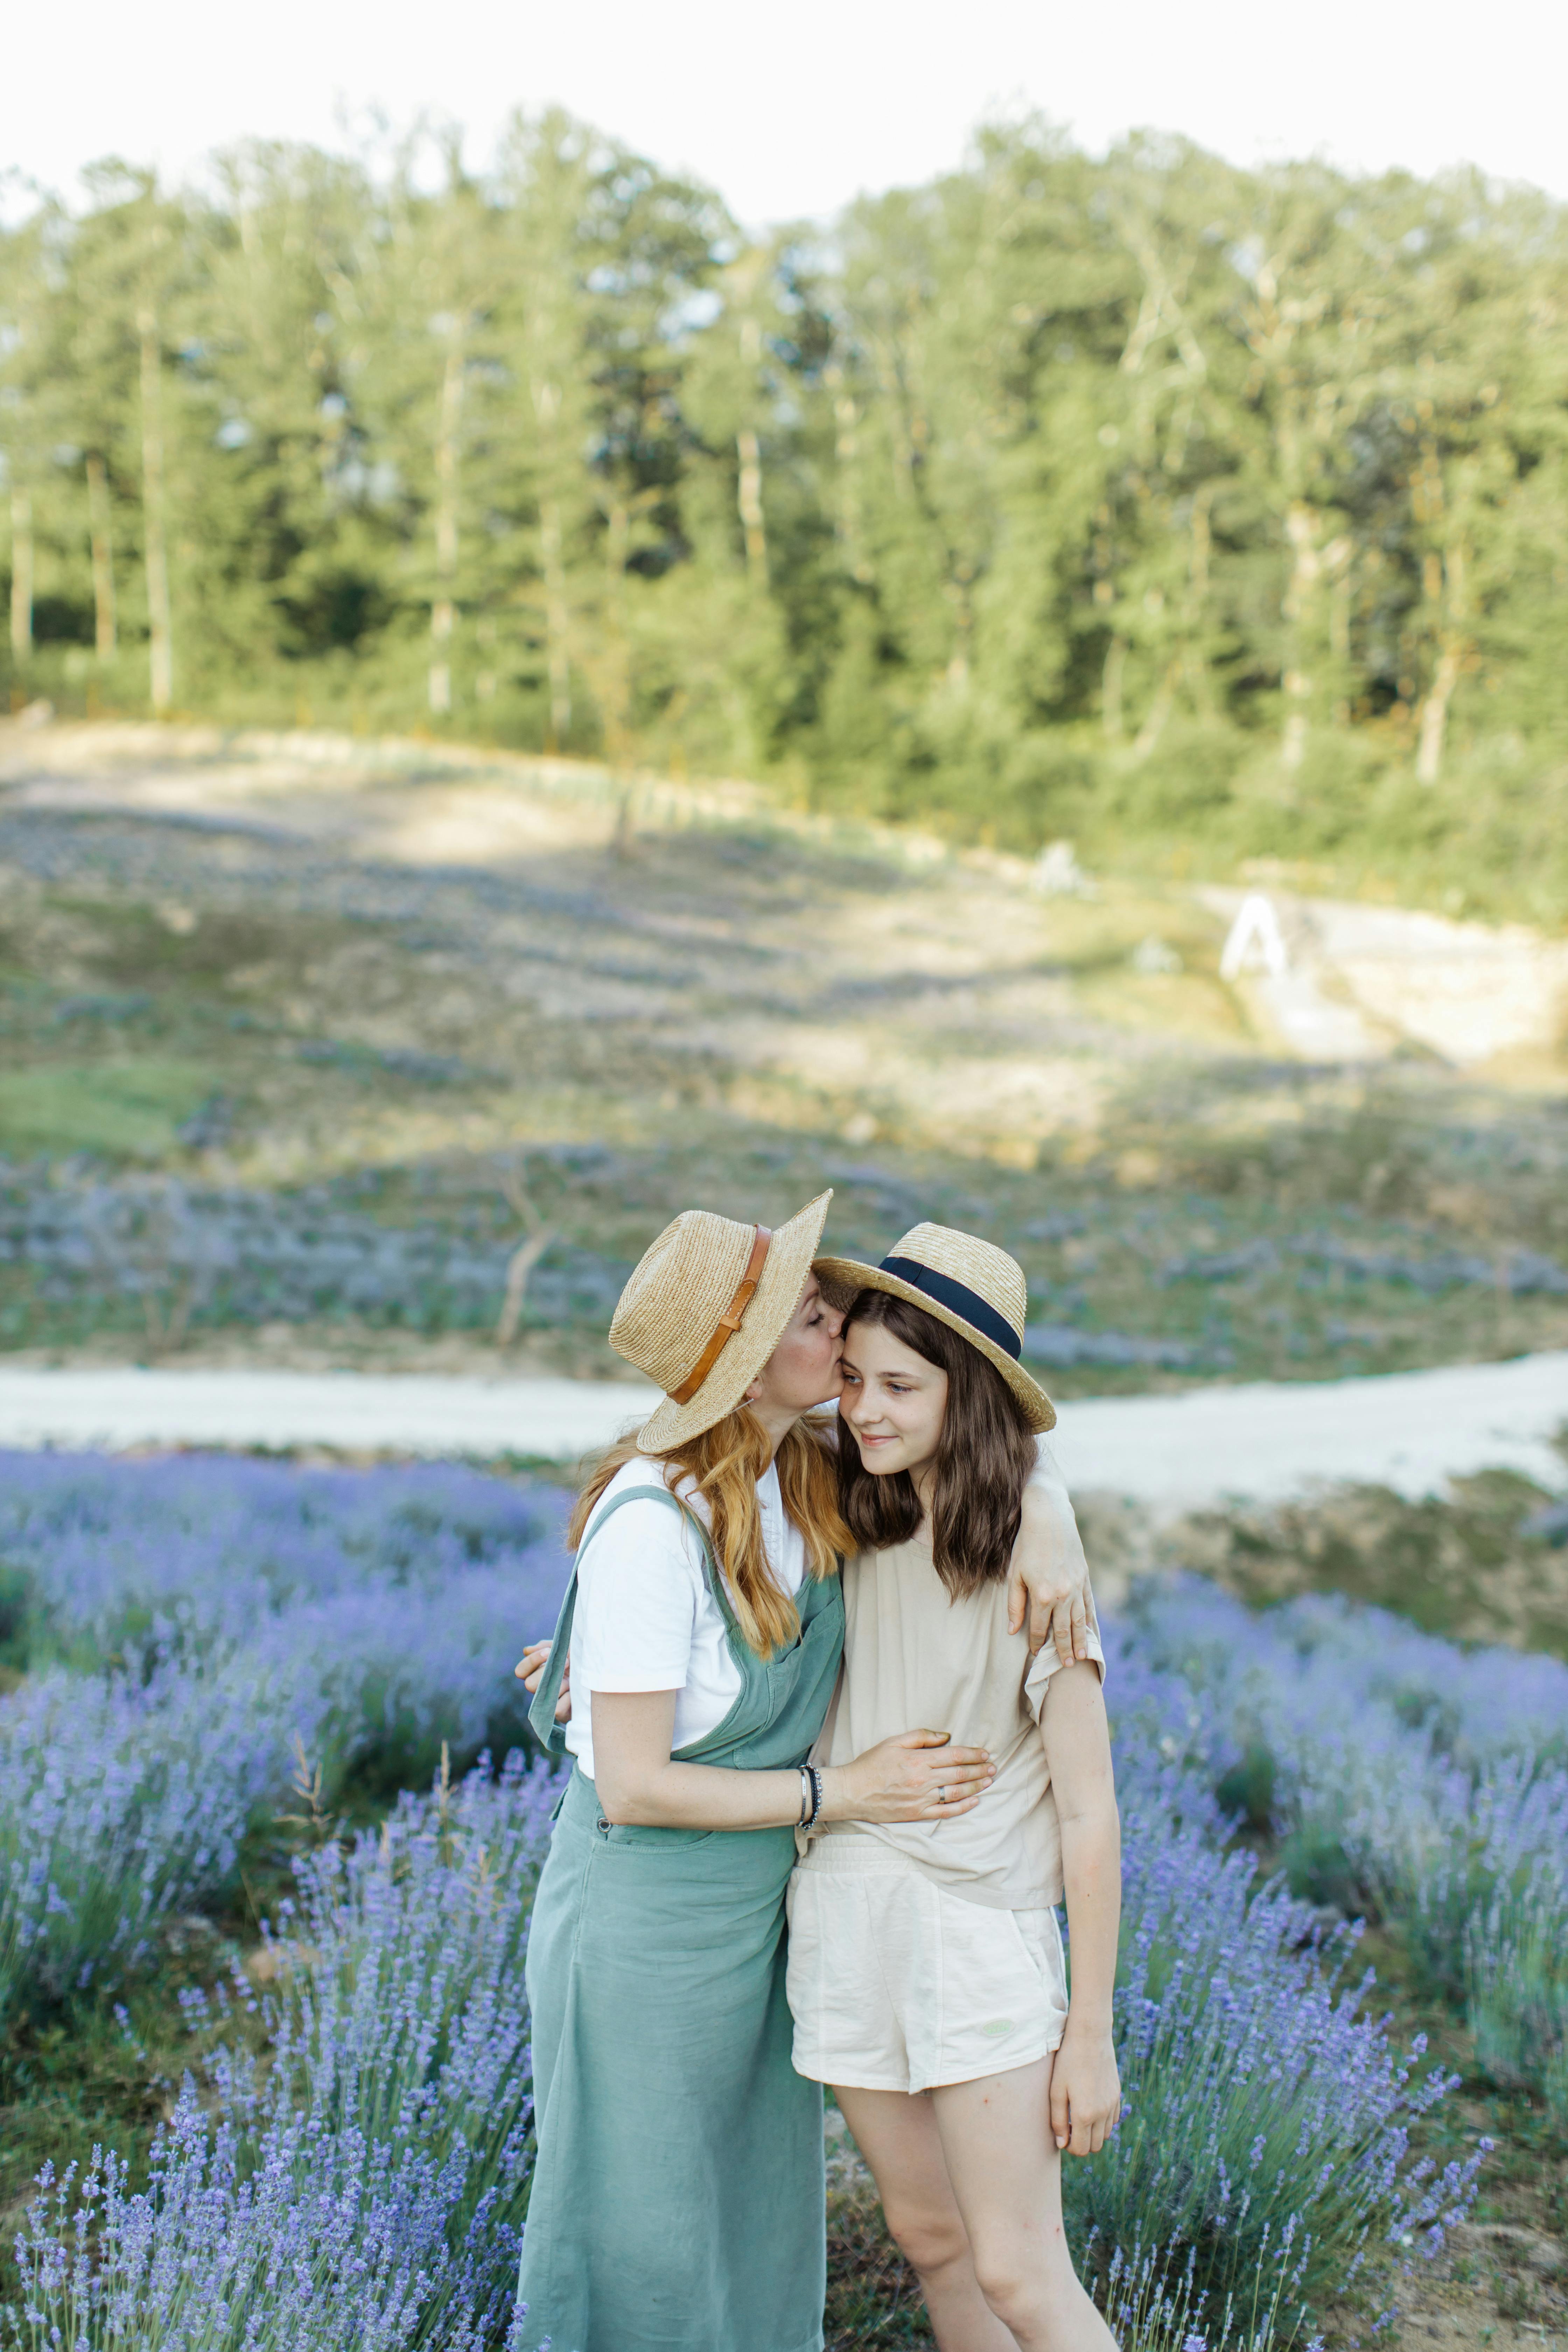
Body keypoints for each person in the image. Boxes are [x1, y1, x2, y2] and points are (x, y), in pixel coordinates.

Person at [514, 1189, 1094, 2352]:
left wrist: (1045, 1510)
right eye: (812, 1314)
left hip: (775, 1915)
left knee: (754, 2224)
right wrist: (845, 1791)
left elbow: (968, 1451)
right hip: (667, 1923)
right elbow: (633, 1784)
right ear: (744, 1364)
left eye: (824, 1305)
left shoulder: (804, 1477)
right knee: (650, 2229)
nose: (835, 1324)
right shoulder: (656, 1519)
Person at [792, 1222, 1122, 2352]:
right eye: (851, 1379)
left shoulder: (1035, 1565)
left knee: (1023, 2275)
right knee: (929, 2236)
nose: (865, 1408)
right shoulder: (844, 1501)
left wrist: (1091, 2031)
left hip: (978, 1926)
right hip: (844, 1908)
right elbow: (691, 1481)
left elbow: (1091, 1812)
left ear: (965, 1396)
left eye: (899, 1386)